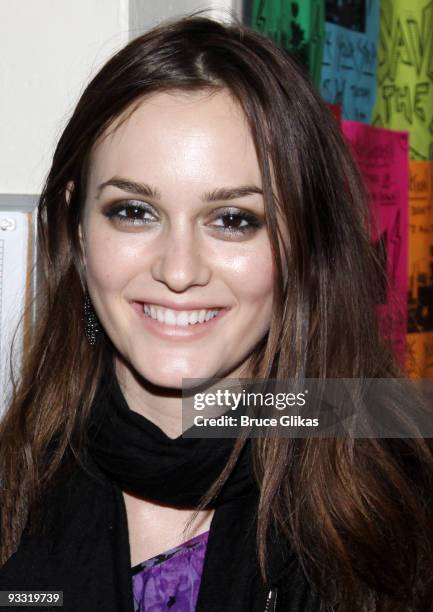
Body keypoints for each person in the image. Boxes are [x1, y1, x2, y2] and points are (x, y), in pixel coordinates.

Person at [1, 15, 433, 612]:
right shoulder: (14, 489)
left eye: (234, 220)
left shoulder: (405, 507)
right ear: (76, 228)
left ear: (304, 243)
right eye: (133, 211)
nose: (179, 271)